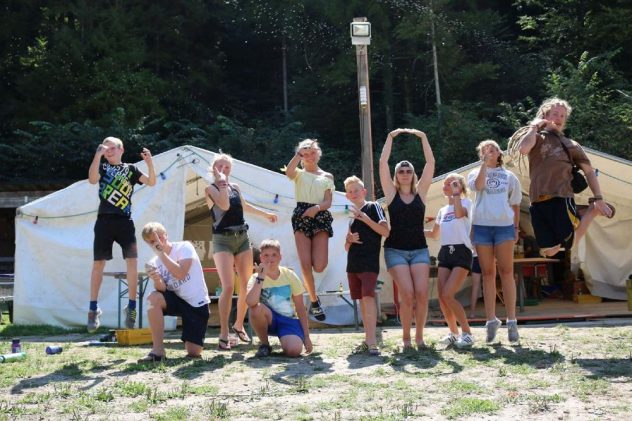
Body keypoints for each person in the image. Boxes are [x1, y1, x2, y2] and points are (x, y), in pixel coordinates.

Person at [508, 97, 614, 257]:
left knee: (569, 243)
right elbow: (523, 149)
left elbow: (589, 172)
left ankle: (592, 210)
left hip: (560, 196)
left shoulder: (571, 144)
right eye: (555, 114)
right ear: (545, 115)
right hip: (536, 200)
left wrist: (598, 198)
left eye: (562, 116)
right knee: (549, 251)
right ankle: (582, 212)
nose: (558, 118)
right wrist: (534, 126)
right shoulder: (536, 138)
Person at [205, 153, 278, 351]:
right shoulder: (210, 189)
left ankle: (238, 324)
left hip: (242, 237)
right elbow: (224, 205)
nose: (223, 170)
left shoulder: (235, 187)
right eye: (219, 166)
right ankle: (223, 333)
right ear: (213, 169)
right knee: (228, 286)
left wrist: (265, 214)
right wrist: (221, 182)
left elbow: (244, 207)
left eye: (227, 167)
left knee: (247, 284)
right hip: (222, 239)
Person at [87, 137, 156, 332]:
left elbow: (151, 182)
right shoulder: (102, 166)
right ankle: (93, 308)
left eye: (111, 148)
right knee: (98, 264)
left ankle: (131, 306)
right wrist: (97, 155)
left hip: (124, 221)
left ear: (121, 149)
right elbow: (92, 179)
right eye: (105, 148)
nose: (108, 151)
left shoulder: (131, 169)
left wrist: (150, 163)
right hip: (104, 221)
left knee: (132, 261)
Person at [379, 128, 435, 349]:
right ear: (396, 175)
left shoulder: (421, 193)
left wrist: (423, 137)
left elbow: (430, 163)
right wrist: (390, 137)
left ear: (413, 174)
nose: (404, 173)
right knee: (408, 293)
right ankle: (405, 338)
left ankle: (419, 337)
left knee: (422, 293)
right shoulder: (391, 194)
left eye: (408, 170)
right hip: (395, 250)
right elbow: (382, 163)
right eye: (401, 171)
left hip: (419, 250)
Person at [468, 140, 522, 344]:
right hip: (482, 226)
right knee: (487, 273)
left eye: (492, 149)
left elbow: (515, 204)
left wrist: (515, 228)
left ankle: (512, 321)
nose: (488, 152)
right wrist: (484, 164)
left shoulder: (509, 176)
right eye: (484, 150)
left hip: (504, 227)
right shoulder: (475, 173)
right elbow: (478, 186)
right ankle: (491, 320)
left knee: (507, 272)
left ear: (499, 153)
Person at [138, 222, 210, 362]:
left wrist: (161, 254)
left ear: (166, 235)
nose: (157, 243)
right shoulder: (153, 262)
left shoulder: (184, 247)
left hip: (196, 302)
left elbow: (181, 274)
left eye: (159, 238)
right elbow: (162, 289)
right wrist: (156, 279)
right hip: (177, 300)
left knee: (193, 352)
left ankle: (191, 338)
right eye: (152, 241)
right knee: (153, 298)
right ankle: (158, 350)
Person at [285, 139, 334, 321]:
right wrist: (298, 154)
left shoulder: (327, 176)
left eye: (312, 152)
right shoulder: (298, 174)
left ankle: (313, 295)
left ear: (318, 154)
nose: (310, 156)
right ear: (301, 156)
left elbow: (328, 202)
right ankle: (314, 301)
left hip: (320, 214)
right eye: (306, 153)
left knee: (319, 266)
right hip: (301, 214)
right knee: (305, 264)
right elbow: (289, 171)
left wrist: (316, 208)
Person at [426, 174, 474, 348]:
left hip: (462, 251)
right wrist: (412, 230)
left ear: (460, 187)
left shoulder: (466, 203)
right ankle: (453, 333)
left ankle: (467, 334)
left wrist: (456, 195)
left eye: (452, 183)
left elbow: (459, 214)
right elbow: (434, 234)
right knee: (442, 297)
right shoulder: (442, 210)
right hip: (445, 252)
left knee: (448, 294)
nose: (447, 186)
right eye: (445, 183)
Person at [344, 176, 390, 356]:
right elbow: (346, 247)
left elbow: (385, 231)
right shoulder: (348, 217)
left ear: (364, 192)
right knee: (362, 301)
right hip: (353, 264)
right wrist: (349, 240)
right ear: (347, 196)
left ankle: (372, 342)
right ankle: (367, 339)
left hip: (369, 263)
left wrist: (365, 219)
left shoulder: (373, 207)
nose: (354, 193)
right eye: (350, 191)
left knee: (368, 298)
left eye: (356, 190)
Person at [246, 239, 313, 357]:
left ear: (280, 257)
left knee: (294, 351)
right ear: (261, 258)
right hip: (269, 319)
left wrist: (307, 336)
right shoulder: (256, 277)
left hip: (289, 320)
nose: (270, 259)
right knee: (255, 309)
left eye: (274, 255)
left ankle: (288, 339)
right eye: (266, 255)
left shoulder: (289, 275)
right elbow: (250, 302)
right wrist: (261, 277)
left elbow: (300, 307)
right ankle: (265, 345)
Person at [468, 252, 482, 319]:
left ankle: (472, 313)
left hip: (475, 257)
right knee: (489, 284)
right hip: (485, 256)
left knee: (475, 287)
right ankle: (491, 314)